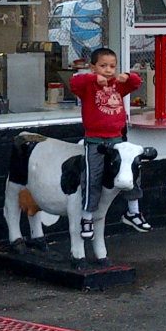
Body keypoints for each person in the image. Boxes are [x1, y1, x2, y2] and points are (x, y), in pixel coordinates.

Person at [69, 46, 145, 241]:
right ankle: (87, 217)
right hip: (95, 140)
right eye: (103, 66)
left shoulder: (117, 86)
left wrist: (127, 76)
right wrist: (93, 78)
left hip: (117, 139)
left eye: (112, 66)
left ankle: (133, 211)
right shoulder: (88, 85)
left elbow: (137, 82)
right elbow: (74, 82)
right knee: (92, 177)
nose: (109, 70)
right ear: (93, 67)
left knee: (131, 171)